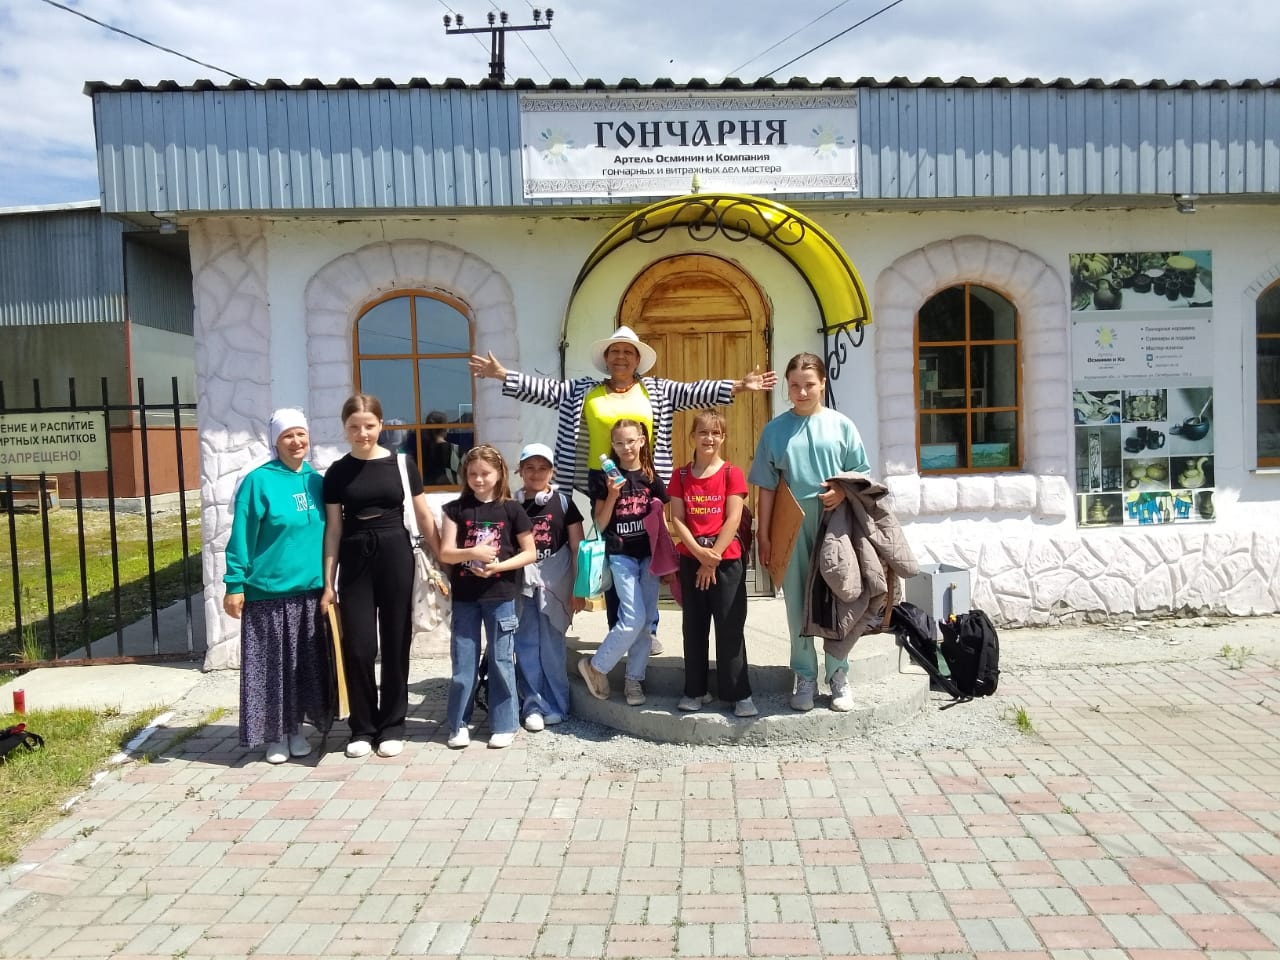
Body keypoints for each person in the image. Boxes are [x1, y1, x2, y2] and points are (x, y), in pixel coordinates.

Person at [470, 324, 775, 655]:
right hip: (603, 484)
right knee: (611, 552)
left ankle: (649, 627)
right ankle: (619, 626)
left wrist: (740, 387)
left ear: (637, 359)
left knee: (650, 551)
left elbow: (695, 392)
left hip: (645, 481)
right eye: (615, 351)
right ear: (606, 358)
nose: (621, 357)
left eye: (628, 352)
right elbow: (547, 390)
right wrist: (502, 375)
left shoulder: (657, 390)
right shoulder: (585, 390)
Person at [748, 353, 871, 714]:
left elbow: (859, 473)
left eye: (809, 385)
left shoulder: (841, 426)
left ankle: (838, 675)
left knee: (838, 598)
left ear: (822, 385)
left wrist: (842, 491)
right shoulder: (774, 430)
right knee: (797, 603)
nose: (802, 392)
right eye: (795, 386)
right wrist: (765, 535)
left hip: (835, 522)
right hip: (792, 522)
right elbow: (766, 487)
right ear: (787, 387)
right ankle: (804, 675)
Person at [320, 394, 441, 759]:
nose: (362, 433)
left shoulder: (403, 465)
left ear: (381, 425)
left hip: (395, 553)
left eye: (369, 426)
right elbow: (334, 530)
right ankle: (362, 727)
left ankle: (392, 725)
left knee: (395, 641)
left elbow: (423, 517)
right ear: (345, 428)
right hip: (355, 557)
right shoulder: (337, 472)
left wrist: (444, 558)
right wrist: (328, 581)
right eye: (354, 427)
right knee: (359, 646)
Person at [223, 409, 332, 763]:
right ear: (275, 441)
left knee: (303, 667)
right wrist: (234, 583)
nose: (296, 442)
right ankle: (275, 737)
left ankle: (297, 730)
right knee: (273, 669)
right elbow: (240, 536)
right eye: (288, 436)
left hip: (310, 591)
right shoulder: (258, 482)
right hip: (269, 593)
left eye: (301, 434)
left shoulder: (317, 481)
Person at [439, 444, 537, 749]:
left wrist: (498, 566)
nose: (478, 479)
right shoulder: (455, 509)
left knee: (500, 658)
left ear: (499, 474)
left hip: (501, 594)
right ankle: (458, 724)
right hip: (465, 597)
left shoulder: (512, 509)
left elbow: (530, 552)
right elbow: (445, 552)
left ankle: (504, 723)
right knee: (463, 660)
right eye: (472, 474)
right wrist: (473, 553)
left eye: (485, 473)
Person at [667, 410, 756, 718]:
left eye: (715, 433)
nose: (709, 438)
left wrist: (712, 558)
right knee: (694, 627)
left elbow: (733, 517)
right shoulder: (680, 476)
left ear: (723, 438)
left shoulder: (732, 473)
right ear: (693, 437)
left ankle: (739, 693)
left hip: (725, 562)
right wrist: (698, 554)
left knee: (730, 627)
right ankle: (695, 690)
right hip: (692, 561)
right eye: (703, 432)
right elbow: (677, 518)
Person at [577, 419, 667, 706]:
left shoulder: (651, 476)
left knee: (645, 623)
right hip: (621, 556)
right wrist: (613, 494)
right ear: (612, 447)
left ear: (642, 440)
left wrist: (668, 558)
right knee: (633, 617)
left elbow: (663, 518)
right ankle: (596, 666)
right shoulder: (606, 480)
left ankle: (633, 681)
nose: (626, 447)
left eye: (631, 441)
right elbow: (600, 524)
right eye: (619, 443)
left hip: (649, 557)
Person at [512, 442, 584, 731]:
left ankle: (556, 705)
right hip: (522, 583)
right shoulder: (511, 503)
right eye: (530, 467)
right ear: (520, 470)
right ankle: (532, 705)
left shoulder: (564, 503)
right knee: (526, 644)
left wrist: (578, 588)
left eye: (543, 467)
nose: (536, 473)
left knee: (553, 646)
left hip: (557, 581)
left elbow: (577, 546)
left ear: (552, 471)